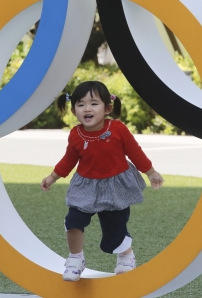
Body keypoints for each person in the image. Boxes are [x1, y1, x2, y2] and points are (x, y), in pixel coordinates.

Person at [40, 81, 164, 282]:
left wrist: (151, 172)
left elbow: (135, 152)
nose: (87, 108)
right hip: (86, 185)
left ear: (107, 108)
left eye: (93, 103)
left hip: (115, 186)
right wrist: (52, 177)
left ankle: (126, 255)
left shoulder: (117, 129)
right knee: (73, 221)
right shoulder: (76, 134)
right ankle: (75, 259)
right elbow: (69, 159)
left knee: (115, 231)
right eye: (81, 104)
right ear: (74, 110)